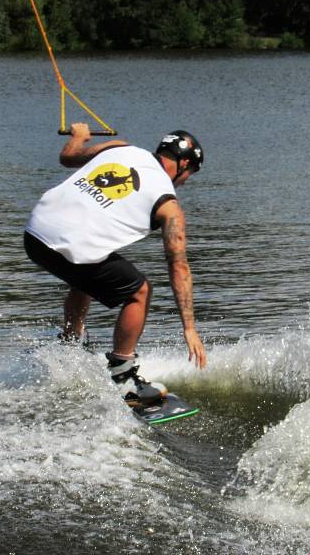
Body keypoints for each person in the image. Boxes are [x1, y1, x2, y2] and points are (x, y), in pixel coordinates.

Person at [24, 123, 206, 406]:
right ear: (184, 163)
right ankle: (124, 379)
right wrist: (189, 328)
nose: (185, 181)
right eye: (190, 173)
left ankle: (71, 342)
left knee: (88, 264)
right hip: (71, 245)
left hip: (35, 234)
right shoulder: (168, 206)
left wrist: (79, 137)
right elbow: (179, 267)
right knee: (140, 291)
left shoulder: (120, 148)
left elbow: (68, 157)